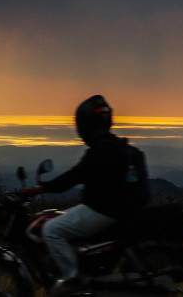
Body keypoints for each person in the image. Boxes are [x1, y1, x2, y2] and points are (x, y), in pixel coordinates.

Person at [20, 94, 149, 296]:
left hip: (103, 211)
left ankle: (72, 279)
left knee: (51, 229)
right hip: (120, 211)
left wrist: (42, 188)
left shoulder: (101, 150)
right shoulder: (120, 147)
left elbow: (74, 176)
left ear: (86, 125)